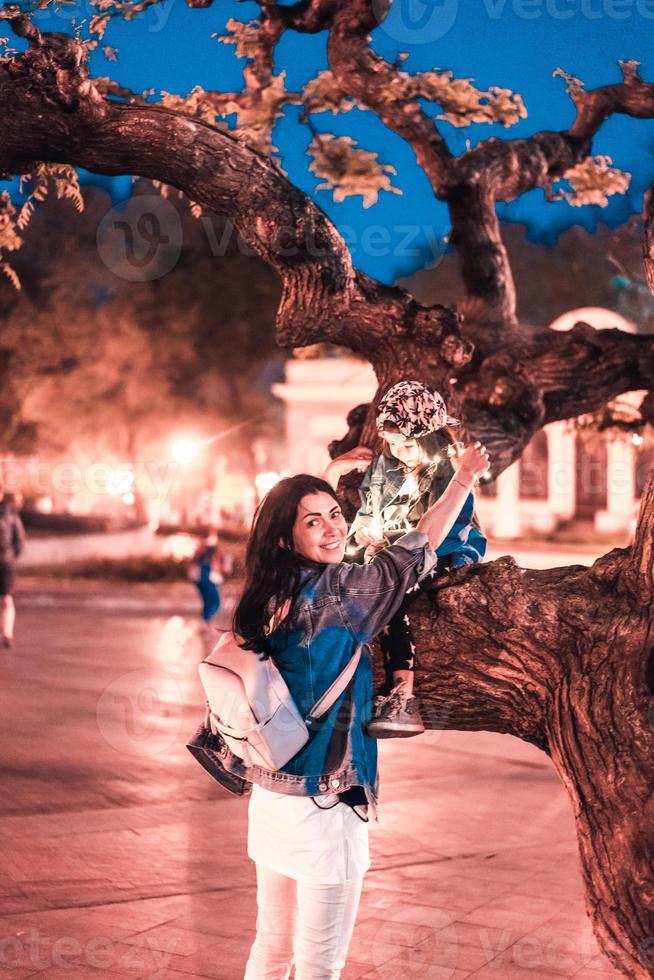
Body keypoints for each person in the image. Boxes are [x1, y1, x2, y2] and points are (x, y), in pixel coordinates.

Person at [223, 440, 488, 979]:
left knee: (271, 950)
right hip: (325, 803)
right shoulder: (341, 595)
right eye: (313, 522)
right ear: (286, 535)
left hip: (270, 795)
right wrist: (461, 479)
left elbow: (308, 540)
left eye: (335, 516)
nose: (332, 528)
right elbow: (415, 550)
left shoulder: (264, 593)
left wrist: (321, 480)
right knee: (321, 966)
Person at [349, 380, 487, 739]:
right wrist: (365, 531)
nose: (399, 452)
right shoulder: (386, 466)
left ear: (429, 437)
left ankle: (403, 695)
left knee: (393, 594)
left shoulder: (452, 469)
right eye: (392, 444)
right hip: (394, 551)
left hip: (444, 552)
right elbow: (367, 509)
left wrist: (392, 546)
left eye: (407, 444)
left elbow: (440, 533)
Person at [0, 492, 25, 649]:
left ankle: (7, 634)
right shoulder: (10, 515)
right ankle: (7, 634)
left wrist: (10, 557)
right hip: (6, 562)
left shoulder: (10, 515)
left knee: (7, 599)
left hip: (5, 563)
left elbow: (19, 541)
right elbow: (20, 541)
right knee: (7, 599)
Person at [188, 530, 224, 624]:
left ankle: (205, 621)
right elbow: (215, 564)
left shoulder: (201, 551)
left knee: (209, 602)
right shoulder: (208, 550)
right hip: (207, 580)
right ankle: (206, 621)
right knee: (214, 602)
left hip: (204, 580)